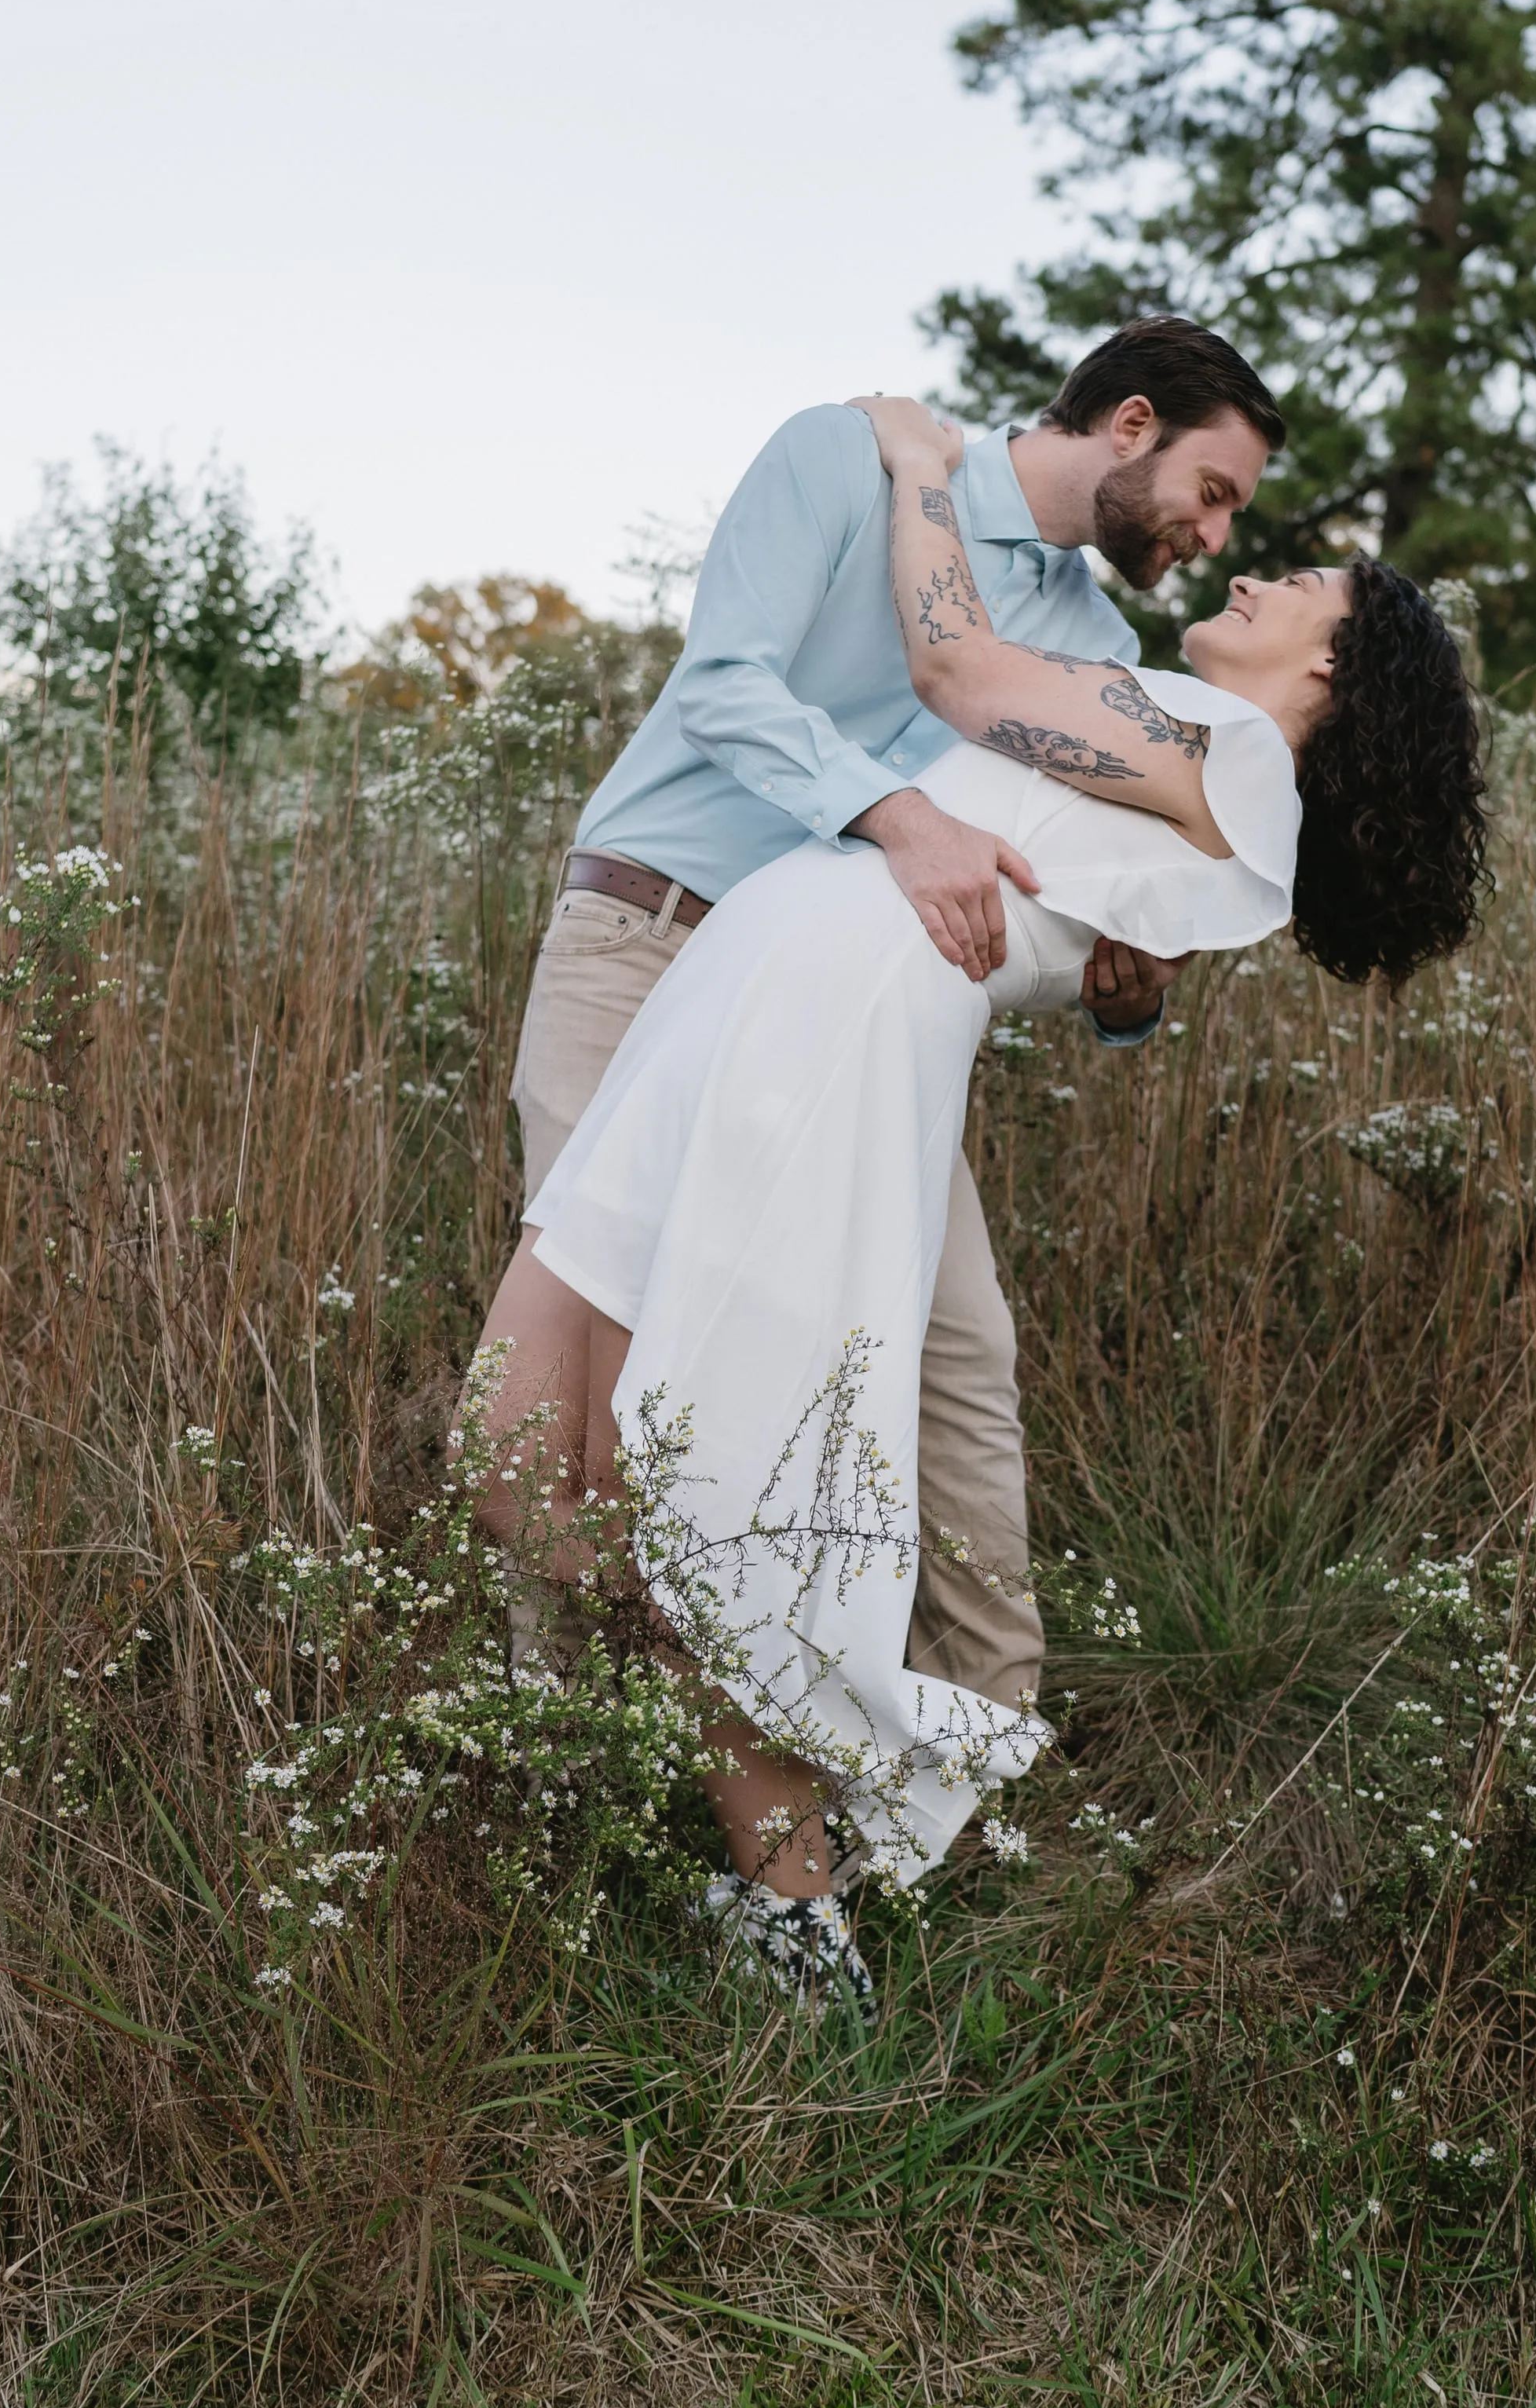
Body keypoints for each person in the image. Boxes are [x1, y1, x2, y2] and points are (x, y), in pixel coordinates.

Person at [471, 392, 1490, 2012]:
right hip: (734, 991)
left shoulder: (1218, 752)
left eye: (1299, 587)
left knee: (683, 1476)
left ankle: (799, 1895)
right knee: (514, 1452)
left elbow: (950, 671)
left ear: (1328, 675)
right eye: (1238, 526)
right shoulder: (1177, 736)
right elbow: (1099, 931)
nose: (1251, 571)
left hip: (817, 1043)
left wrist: (925, 470)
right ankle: (798, 1719)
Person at [495, 319, 1287, 1743]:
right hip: (650, 944)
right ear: (1129, 424)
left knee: (959, 1356)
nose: (1215, 539)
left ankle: (991, 1739)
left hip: (847, 1023)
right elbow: (728, 685)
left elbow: (1107, 882)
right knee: (589, 1362)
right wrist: (902, 815)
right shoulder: (845, 462)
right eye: (1213, 491)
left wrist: (1131, 993)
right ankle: (580, 1756)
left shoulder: (1095, 642)